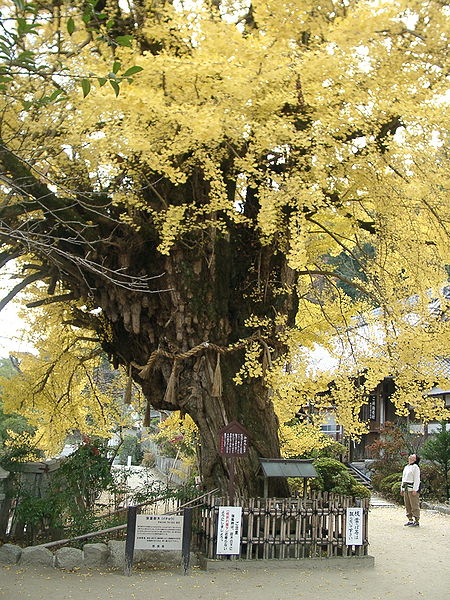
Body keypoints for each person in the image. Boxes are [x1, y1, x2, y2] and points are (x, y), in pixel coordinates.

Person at [401, 453, 421, 527]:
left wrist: (415, 489)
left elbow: (417, 479)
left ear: (415, 459)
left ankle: (416, 519)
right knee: (407, 504)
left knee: (414, 504)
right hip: (406, 488)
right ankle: (410, 519)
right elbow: (403, 478)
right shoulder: (406, 467)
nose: (410, 456)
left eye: (413, 455)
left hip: (412, 488)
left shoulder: (415, 467)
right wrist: (402, 488)